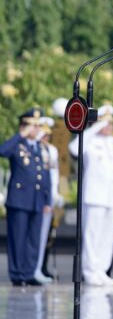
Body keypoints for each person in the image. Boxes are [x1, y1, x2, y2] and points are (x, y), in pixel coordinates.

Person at [68, 104, 113, 287]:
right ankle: (90, 271)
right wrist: (96, 126)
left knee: (108, 237)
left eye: (110, 124)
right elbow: (73, 148)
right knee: (92, 236)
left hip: (112, 197)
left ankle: (102, 270)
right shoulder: (89, 141)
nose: (109, 127)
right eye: (105, 124)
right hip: (94, 197)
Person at [0, 108, 52, 286]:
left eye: (38, 126)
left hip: (37, 200)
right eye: (33, 126)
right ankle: (17, 274)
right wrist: (20, 135)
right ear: (24, 127)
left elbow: (45, 176)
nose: (37, 130)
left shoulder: (40, 147)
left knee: (33, 239)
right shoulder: (17, 144)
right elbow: (3, 151)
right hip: (19, 200)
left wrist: (47, 200)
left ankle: (29, 272)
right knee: (18, 239)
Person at [33, 117, 63, 284]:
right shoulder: (36, 148)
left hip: (49, 198)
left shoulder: (52, 150)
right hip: (37, 197)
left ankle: (38, 268)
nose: (46, 138)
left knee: (44, 236)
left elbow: (54, 175)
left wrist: (56, 194)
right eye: (43, 135)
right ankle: (32, 268)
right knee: (34, 236)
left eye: (47, 135)